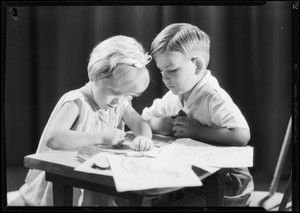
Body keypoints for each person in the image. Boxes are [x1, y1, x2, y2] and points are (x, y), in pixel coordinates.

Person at [8, 35, 153, 206]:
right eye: (115, 92)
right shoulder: (76, 101)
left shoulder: (120, 103)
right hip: (65, 180)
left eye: (128, 95)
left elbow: (139, 122)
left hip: (94, 177)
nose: (120, 101)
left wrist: (143, 137)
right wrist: (101, 137)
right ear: (97, 76)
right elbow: (54, 138)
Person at [142, 23, 254, 206]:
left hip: (225, 182)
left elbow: (242, 135)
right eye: (161, 70)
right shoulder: (175, 95)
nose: (164, 77)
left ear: (197, 65)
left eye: (172, 70)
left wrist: (199, 132)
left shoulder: (212, 96)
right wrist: (159, 123)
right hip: (190, 175)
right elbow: (144, 118)